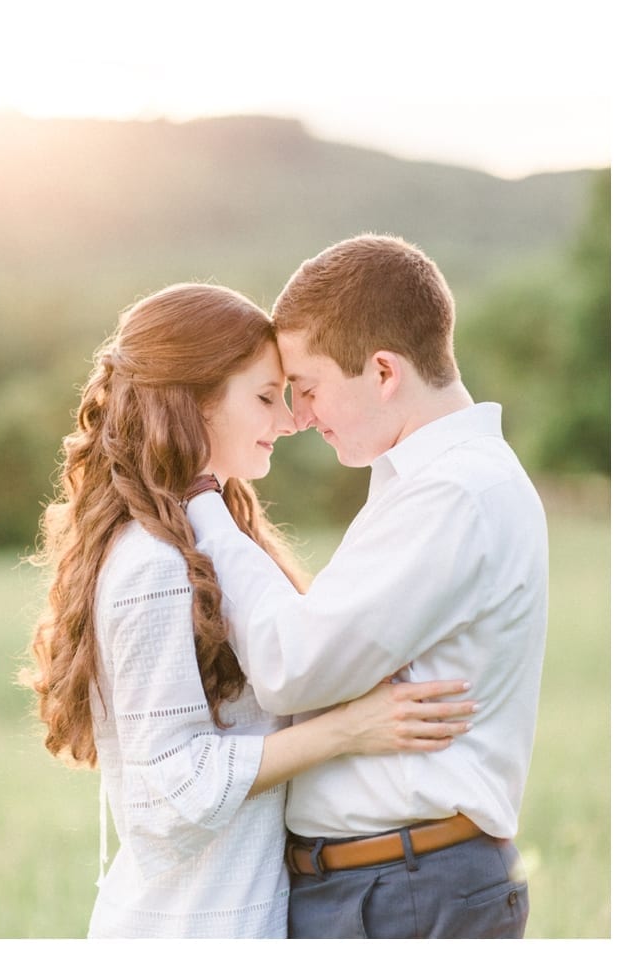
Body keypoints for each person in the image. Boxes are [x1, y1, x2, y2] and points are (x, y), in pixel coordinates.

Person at [22, 282, 476, 939]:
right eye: (266, 397)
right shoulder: (153, 565)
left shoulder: (206, 539)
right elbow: (164, 794)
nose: (290, 420)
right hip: (188, 929)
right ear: (194, 403)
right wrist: (350, 729)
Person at [185, 234, 547, 938]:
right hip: (394, 882)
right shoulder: (434, 485)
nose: (299, 417)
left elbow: (294, 666)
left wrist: (205, 504)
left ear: (382, 371)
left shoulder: (453, 494)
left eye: (310, 388)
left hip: (406, 890)